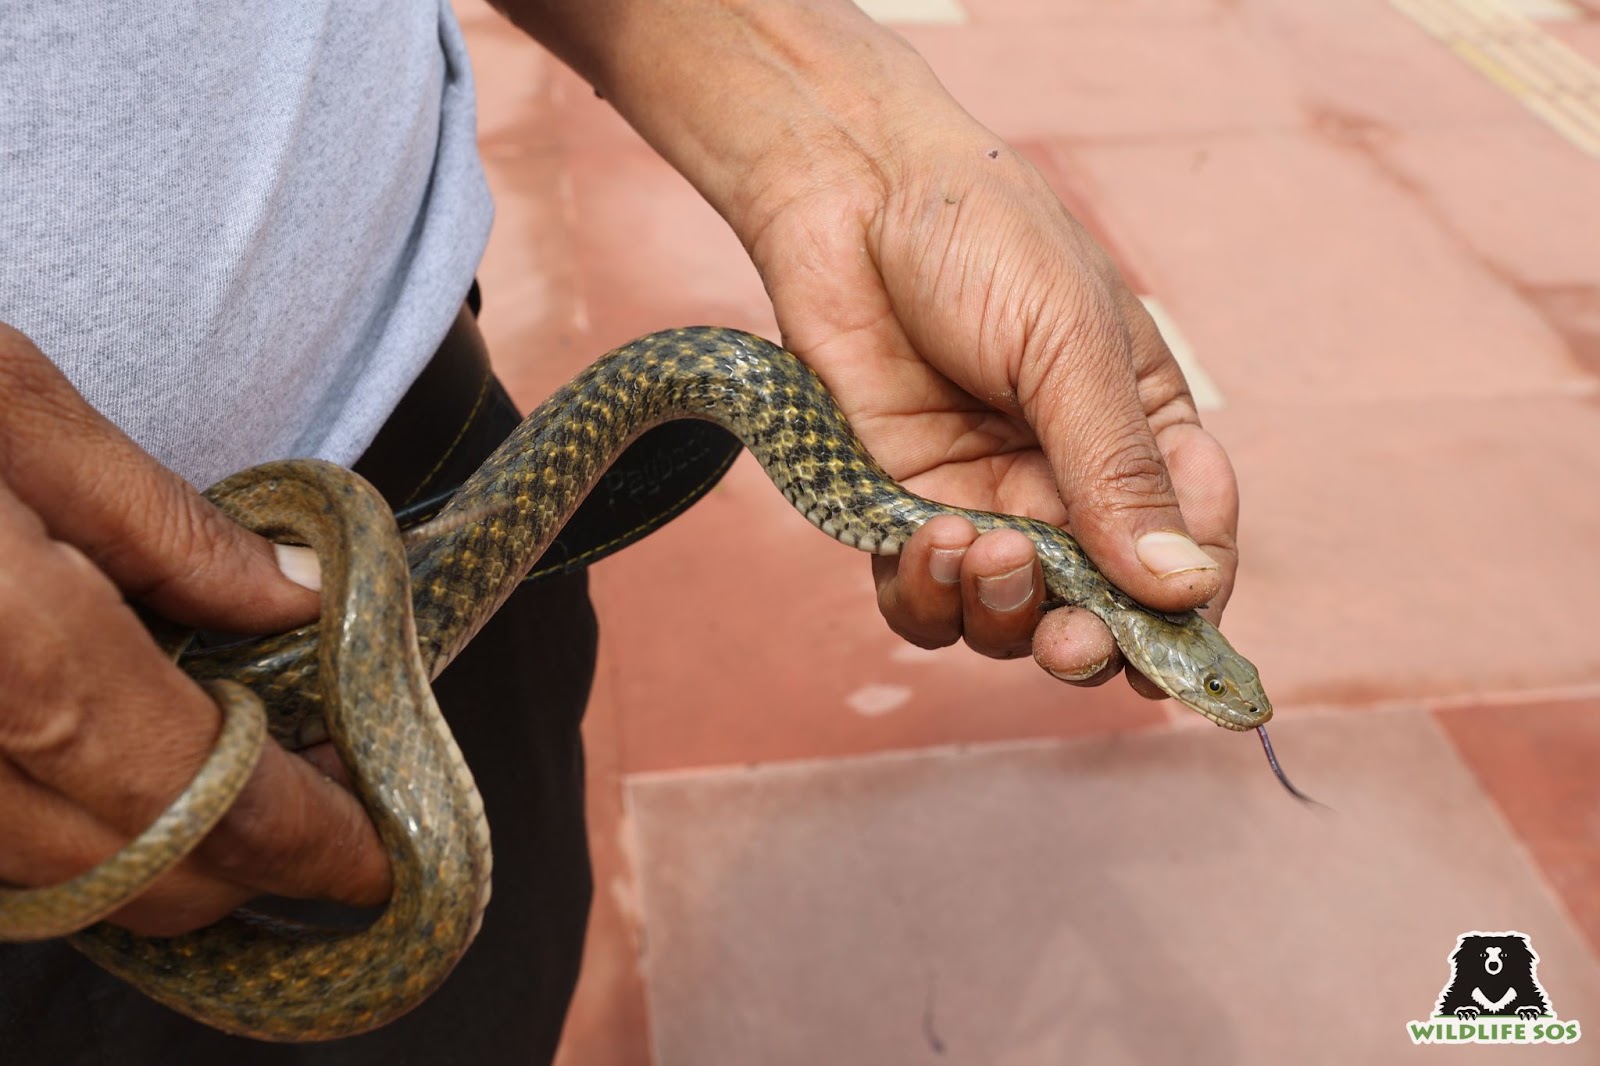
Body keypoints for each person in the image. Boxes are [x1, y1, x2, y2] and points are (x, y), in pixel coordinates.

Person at [0, 1, 1241, 1062]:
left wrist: (850, 143)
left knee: (481, 983)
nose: (1226, 700)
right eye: (1211, 686)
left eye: (1215, 687)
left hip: (435, 490)